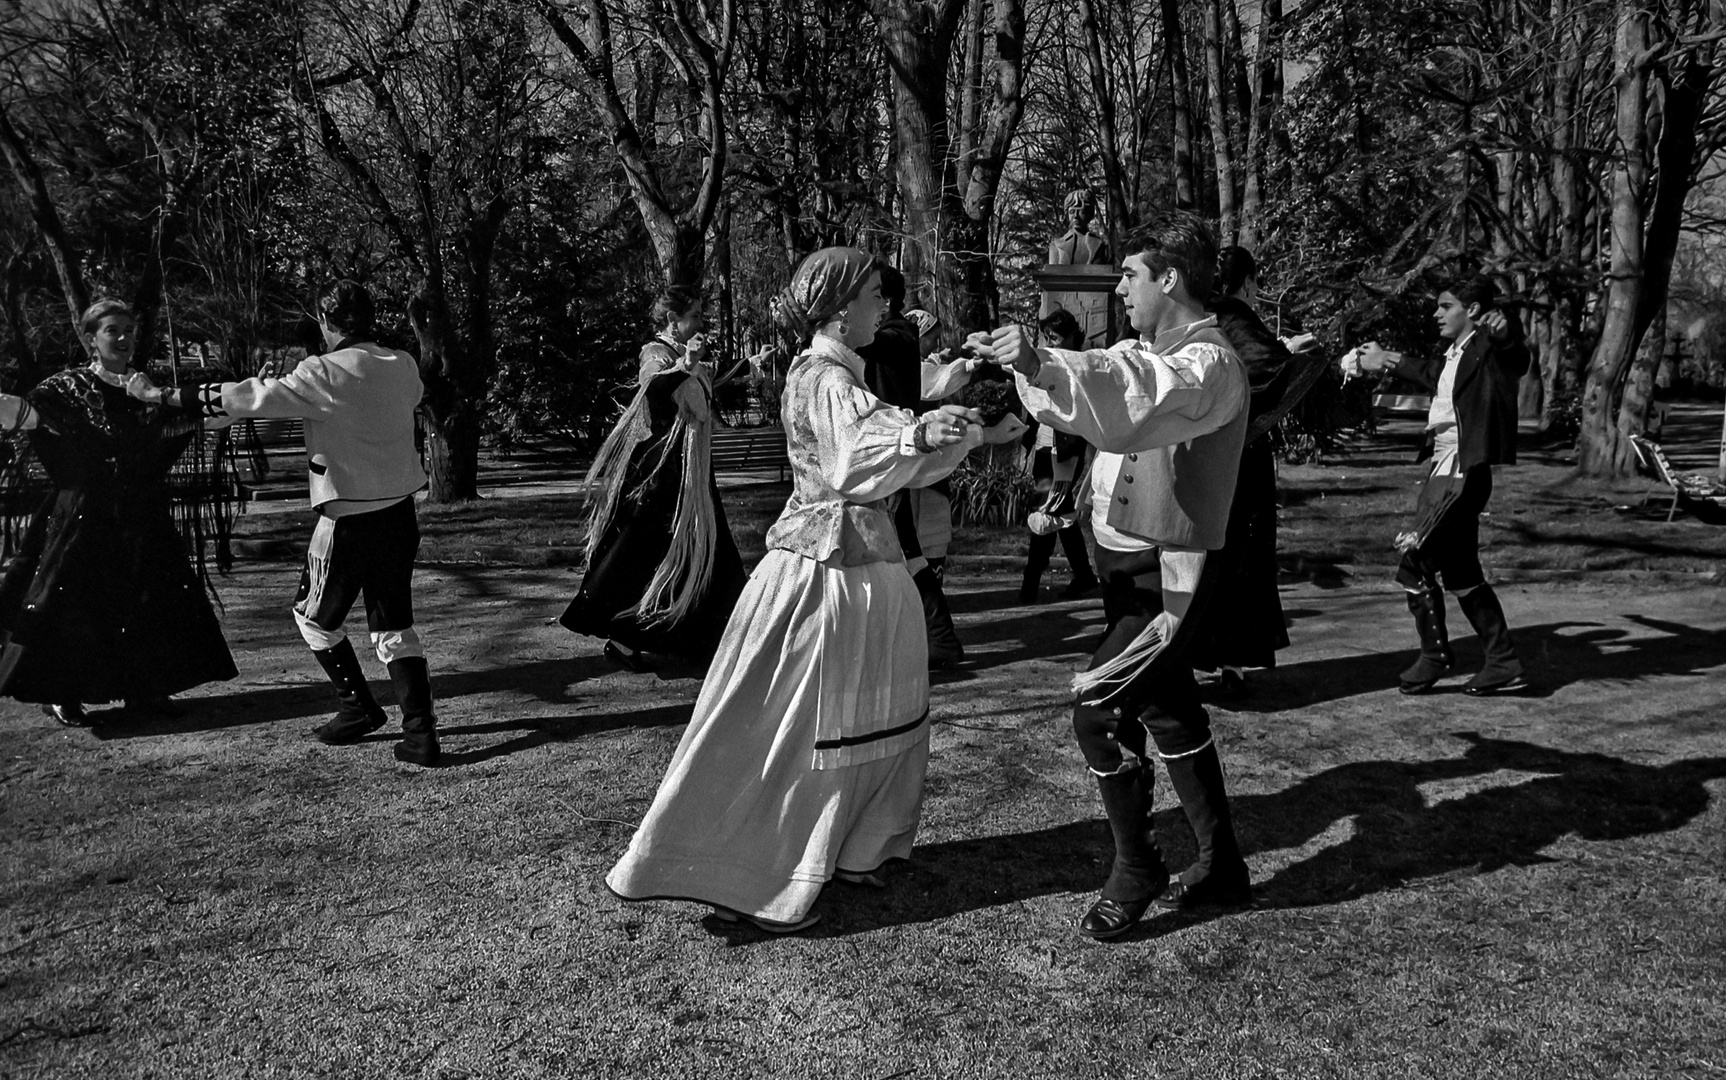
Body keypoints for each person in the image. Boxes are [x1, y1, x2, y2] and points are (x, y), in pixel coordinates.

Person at [606, 247, 984, 933]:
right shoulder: (822, 375)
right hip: (821, 576)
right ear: (840, 309)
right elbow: (853, 457)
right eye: (875, 295)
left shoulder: (847, 371)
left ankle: (859, 848)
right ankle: (764, 875)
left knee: (873, 714)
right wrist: (920, 429)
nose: (884, 307)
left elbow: (888, 457)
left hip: (867, 565)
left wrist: (934, 432)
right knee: (803, 727)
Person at [981, 212, 1253, 940]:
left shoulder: (1207, 362)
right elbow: (1104, 403)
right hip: (1128, 572)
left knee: (1098, 710)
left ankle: (1137, 867)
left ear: (1169, 278)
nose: (1120, 287)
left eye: (1129, 274)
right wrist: (1025, 367)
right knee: (1170, 711)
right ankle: (1223, 863)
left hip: (1174, 579)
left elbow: (1137, 395)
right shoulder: (1152, 350)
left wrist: (1041, 361)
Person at [130, 281, 442, 764]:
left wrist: (159, 394)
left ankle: (357, 707)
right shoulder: (401, 363)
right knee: (394, 624)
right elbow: (414, 394)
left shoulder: (321, 372)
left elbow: (243, 397)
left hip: (347, 519)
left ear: (327, 322)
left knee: (312, 618)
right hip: (400, 514)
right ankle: (421, 735)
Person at [0, 299, 238, 725]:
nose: (125, 338)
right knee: (76, 604)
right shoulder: (64, 390)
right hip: (81, 518)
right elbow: (24, 415)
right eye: (114, 330)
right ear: (91, 339)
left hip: (139, 517)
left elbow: (190, 421)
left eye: (130, 329)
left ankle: (143, 691)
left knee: (146, 602)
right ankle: (64, 693)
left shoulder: (144, 389)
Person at [1346, 276, 1530, 696]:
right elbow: (1430, 371)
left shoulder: (1490, 348)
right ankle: (1503, 660)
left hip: (1462, 474)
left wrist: (1505, 333)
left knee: (1416, 562)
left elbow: (1516, 356)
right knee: (1462, 572)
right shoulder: (1457, 354)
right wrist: (1384, 358)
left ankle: (1436, 656)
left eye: (1446, 306)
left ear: (1475, 311)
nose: (1436, 313)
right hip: (1443, 470)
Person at [560, 286, 747, 673]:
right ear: (671, 321)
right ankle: (630, 635)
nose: (700, 323)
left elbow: (705, 387)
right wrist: (684, 365)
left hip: (690, 473)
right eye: (693, 315)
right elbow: (654, 388)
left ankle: (713, 638)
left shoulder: (684, 355)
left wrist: (748, 366)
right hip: (664, 475)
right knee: (646, 553)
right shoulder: (656, 354)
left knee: (707, 552)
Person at [856, 268, 982, 668]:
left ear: (886, 301)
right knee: (903, 548)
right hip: (889, 456)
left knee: (902, 550)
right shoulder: (896, 335)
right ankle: (933, 638)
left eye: (866, 294)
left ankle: (936, 639)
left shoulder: (895, 336)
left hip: (890, 458)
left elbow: (862, 349)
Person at [1188, 246, 1301, 693]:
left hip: (1199, 454)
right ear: (1249, 283)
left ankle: (1195, 658)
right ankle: (1232, 664)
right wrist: (1295, 352)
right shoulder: (1237, 318)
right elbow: (1269, 369)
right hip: (1241, 458)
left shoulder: (1197, 319)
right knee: (1241, 559)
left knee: (1200, 558)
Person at [1019, 309, 1098, 604]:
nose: (1049, 341)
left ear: (1068, 337)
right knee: (1059, 512)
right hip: (1044, 446)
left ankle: (1031, 579)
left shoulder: (1076, 366)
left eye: (1054, 336)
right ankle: (1084, 576)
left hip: (1066, 449)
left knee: (1048, 510)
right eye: (1046, 336)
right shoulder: (1046, 361)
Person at [1042, 189, 1114, 347]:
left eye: (1080, 210)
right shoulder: (1056, 245)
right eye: (1071, 210)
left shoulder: (1100, 245)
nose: (1075, 215)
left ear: (1089, 213)